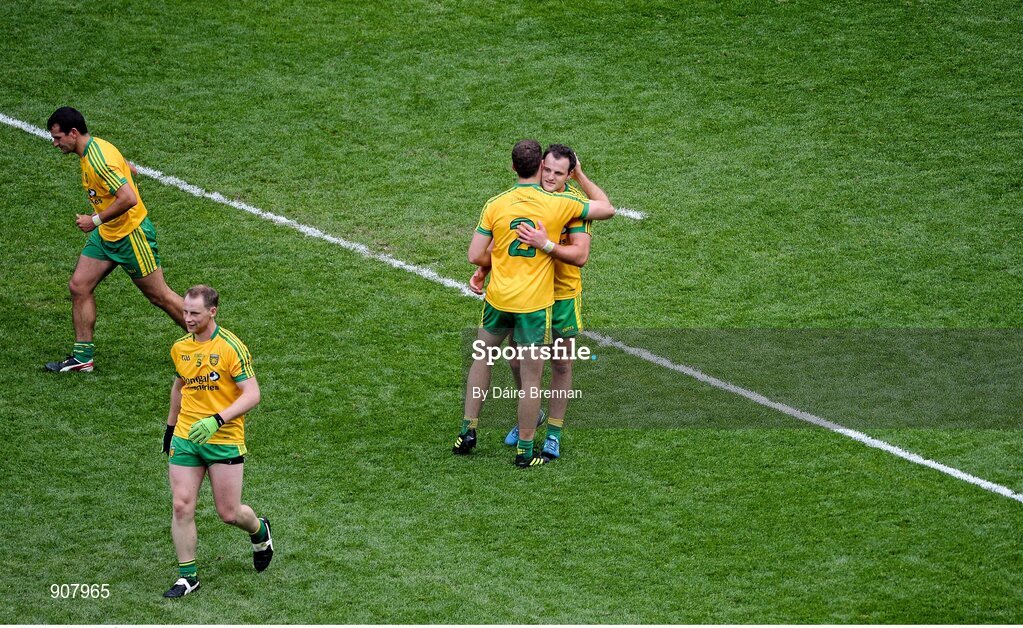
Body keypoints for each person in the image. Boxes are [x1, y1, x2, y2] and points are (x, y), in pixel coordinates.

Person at [454, 139, 614, 467]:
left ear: (569, 176)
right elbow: (504, 246)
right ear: (540, 166)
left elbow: (580, 255)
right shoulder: (532, 203)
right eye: (548, 169)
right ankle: (531, 420)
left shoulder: (572, 204)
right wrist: (485, 268)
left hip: (561, 296)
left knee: (562, 364)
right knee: (518, 365)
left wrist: (547, 244)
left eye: (560, 173)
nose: (551, 177)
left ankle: (553, 432)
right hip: (530, 299)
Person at [44, 106, 184, 373]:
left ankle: (210, 341)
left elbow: (129, 199)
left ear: (73, 133)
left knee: (160, 296)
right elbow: (129, 169)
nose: (55, 143)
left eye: (58, 137)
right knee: (79, 286)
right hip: (108, 234)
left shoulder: (97, 159)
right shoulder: (96, 148)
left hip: (131, 235)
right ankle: (83, 358)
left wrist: (93, 220)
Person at [162, 285, 273, 598]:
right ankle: (188, 576)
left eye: (194, 313)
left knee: (229, 513)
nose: (188, 318)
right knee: (182, 504)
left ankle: (259, 530)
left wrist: (217, 420)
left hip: (223, 438)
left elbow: (252, 394)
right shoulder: (180, 348)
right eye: (185, 312)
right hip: (186, 437)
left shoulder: (230, 347)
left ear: (212, 312)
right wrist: (171, 429)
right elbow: (179, 387)